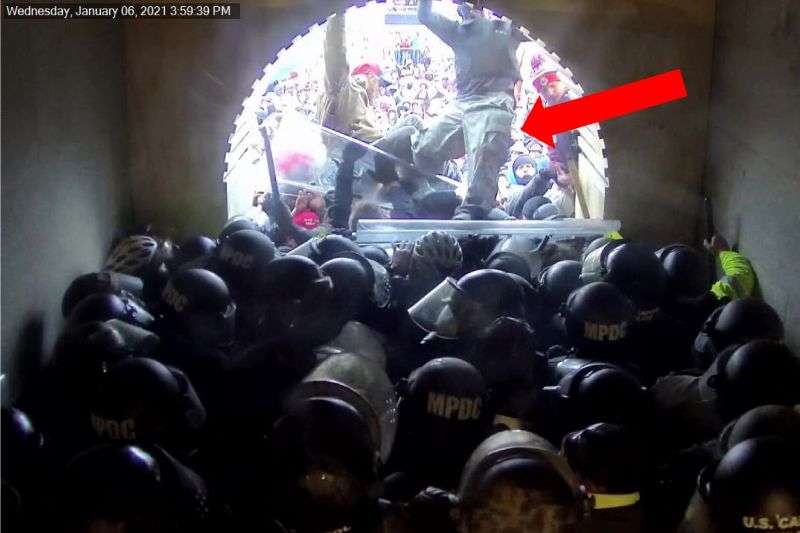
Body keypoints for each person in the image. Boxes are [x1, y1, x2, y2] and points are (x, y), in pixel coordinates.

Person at [413, 0, 524, 220]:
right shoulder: (457, 31)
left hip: (494, 99)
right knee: (425, 150)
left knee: (487, 145)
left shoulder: (504, 27)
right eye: (462, 7)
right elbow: (424, 16)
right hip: (464, 101)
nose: (467, 10)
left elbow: (530, 24)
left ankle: (475, 207)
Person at [317, 13, 384, 143]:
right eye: (378, 83)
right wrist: (338, 14)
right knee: (412, 123)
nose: (379, 90)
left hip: (369, 150)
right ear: (369, 77)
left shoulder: (362, 102)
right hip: (358, 152)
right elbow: (335, 53)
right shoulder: (345, 90)